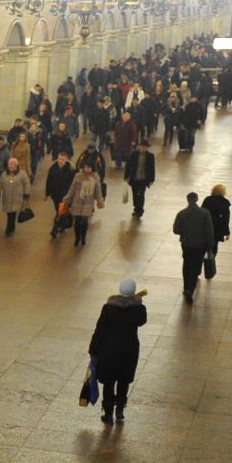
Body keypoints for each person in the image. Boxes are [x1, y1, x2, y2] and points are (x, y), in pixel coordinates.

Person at [89, 278, 147, 424]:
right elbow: (142, 321)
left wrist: (93, 349)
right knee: (124, 381)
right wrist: (137, 301)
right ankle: (120, 409)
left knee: (109, 382)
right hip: (129, 350)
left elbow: (100, 330)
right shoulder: (139, 309)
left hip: (109, 351)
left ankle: (108, 413)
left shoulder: (108, 308)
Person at [173, 192, 216, 302]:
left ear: (187, 200)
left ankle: (186, 286)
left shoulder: (181, 213)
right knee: (196, 266)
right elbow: (209, 232)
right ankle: (190, 290)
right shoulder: (205, 213)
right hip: (200, 245)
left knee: (186, 264)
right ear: (197, 199)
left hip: (187, 244)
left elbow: (176, 230)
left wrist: (185, 232)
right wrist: (210, 247)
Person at [67, 164, 105, 248]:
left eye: (89, 167)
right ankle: (77, 238)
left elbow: (98, 190)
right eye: (86, 167)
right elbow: (72, 188)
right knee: (77, 222)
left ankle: (83, 237)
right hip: (77, 201)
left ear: (92, 168)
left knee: (84, 221)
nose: (87, 169)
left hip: (88, 202)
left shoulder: (95, 178)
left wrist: (100, 201)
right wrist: (68, 198)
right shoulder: (78, 176)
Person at [202, 184, 232, 278]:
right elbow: (226, 219)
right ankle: (210, 265)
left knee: (202, 246)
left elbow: (202, 212)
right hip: (216, 228)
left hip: (205, 226)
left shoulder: (207, 199)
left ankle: (199, 266)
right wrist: (227, 232)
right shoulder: (225, 202)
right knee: (214, 246)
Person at [0, 157, 29, 236]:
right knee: (9, 214)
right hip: (7, 198)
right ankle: (12, 227)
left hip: (17, 198)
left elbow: (26, 184)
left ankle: (9, 229)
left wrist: (26, 193)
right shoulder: (4, 174)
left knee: (12, 214)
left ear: (16, 165)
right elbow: (0, 183)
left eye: (12, 164)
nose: (11, 166)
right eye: (9, 164)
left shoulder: (22, 174)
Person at [125, 141, 156, 219]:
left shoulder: (150, 156)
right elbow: (128, 165)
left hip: (143, 179)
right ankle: (136, 208)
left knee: (141, 195)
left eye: (145, 147)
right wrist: (126, 176)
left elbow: (152, 168)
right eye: (142, 147)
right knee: (135, 195)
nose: (143, 148)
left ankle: (140, 211)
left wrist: (152, 179)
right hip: (134, 178)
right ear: (139, 147)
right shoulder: (134, 154)